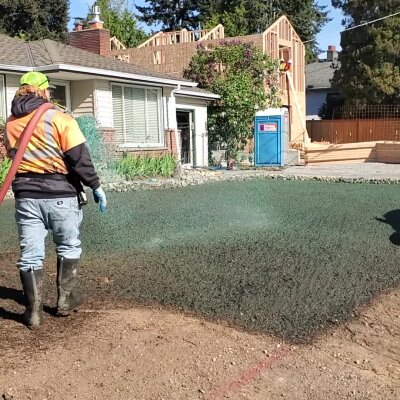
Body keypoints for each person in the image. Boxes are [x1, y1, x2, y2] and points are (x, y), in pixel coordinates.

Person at [4, 71, 107, 328]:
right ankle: (65, 299)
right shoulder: (59, 118)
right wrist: (95, 185)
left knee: (30, 254)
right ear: (42, 90)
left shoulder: (11, 122)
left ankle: (33, 312)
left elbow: (13, 155)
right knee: (68, 245)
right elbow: (78, 157)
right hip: (61, 194)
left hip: (26, 196)